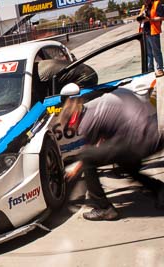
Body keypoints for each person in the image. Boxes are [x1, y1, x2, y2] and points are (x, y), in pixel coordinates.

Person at [62, 88, 164, 221]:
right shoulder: (98, 105)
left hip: (139, 140)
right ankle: (160, 189)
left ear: (73, 120)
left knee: (87, 159)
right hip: (155, 132)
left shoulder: (87, 122)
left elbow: (89, 152)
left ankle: (104, 209)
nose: (74, 130)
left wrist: (74, 171)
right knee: (125, 163)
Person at [137, 0, 164, 77]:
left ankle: (160, 69)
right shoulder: (144, 7)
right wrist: (140, 18)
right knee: (148, 53)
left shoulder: (157, 4)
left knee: (156, 52)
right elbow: (140, 17)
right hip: (145, 32)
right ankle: (150, 69)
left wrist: (150, 19)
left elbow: (162, 17)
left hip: (154, 31)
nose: (145, 1)